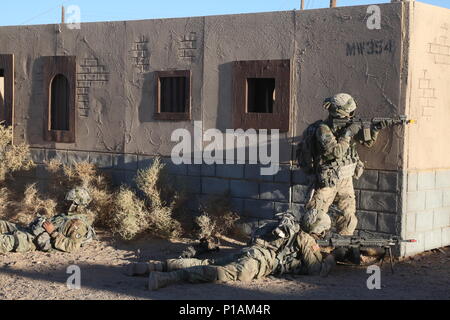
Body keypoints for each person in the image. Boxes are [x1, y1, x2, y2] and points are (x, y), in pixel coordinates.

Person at [126, 212, 336, 291]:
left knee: (208, 264)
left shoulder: (294, 229)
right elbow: (316, 270)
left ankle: (154, 266)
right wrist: (331, 258)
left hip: (252, 252)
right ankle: (167, 277)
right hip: (260, 263)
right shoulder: (305, 239)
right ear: (319, 230)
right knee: (220, 273)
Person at [300, 93, 389, 237]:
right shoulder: (323, 129)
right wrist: (347, 134)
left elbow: (368, 142)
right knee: (314, 216)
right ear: (339, 112)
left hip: (346, 179)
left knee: (348, 217)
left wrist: (375, 130)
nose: (352, 115)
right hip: (327, 181)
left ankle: (342, 247)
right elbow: (336, 152)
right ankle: (309, 249)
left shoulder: (347, 126)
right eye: (349, 113)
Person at [0, 187, 96, 254]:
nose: (65, 204)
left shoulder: (78, 224)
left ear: (77, 205)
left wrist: (53, 232)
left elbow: (72, 246)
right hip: (30, 231)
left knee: (6, 241)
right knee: (2, 224)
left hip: (32, 241)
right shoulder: (65, 216)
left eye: (69, 202)